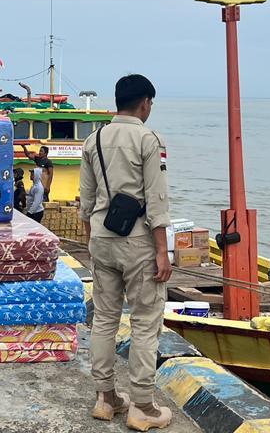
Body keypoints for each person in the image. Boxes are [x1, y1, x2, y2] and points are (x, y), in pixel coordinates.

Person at [79, 74, 172, 429]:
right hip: (137, 241)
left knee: (104, 317)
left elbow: (85, 201)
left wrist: (91, 239)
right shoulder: (149, 139)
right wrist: (162, 252)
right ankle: (143, 406)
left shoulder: (94, 139)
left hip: (101, 238)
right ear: (145, 102)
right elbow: (157, 200)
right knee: (146, 321)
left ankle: (106, 397)